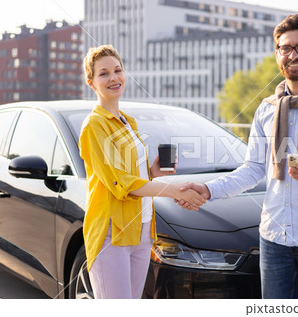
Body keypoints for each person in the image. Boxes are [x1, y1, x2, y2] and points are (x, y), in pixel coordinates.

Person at [178, 15, 298, 299]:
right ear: (277, 54)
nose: (293, 55)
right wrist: (208, 190)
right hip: (273, 241)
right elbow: (253, 168)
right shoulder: (267, 110)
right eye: (285, 48)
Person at [79, 45, 206, 299]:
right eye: (104, 74)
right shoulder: (94, 125)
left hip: (142, 229)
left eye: (118, 70)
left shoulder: (128, 121)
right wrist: (173, 191)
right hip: (111, 234)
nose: (114, 78)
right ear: (91, 82)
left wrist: (153, 171)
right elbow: (121, 183)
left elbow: (133, 176)